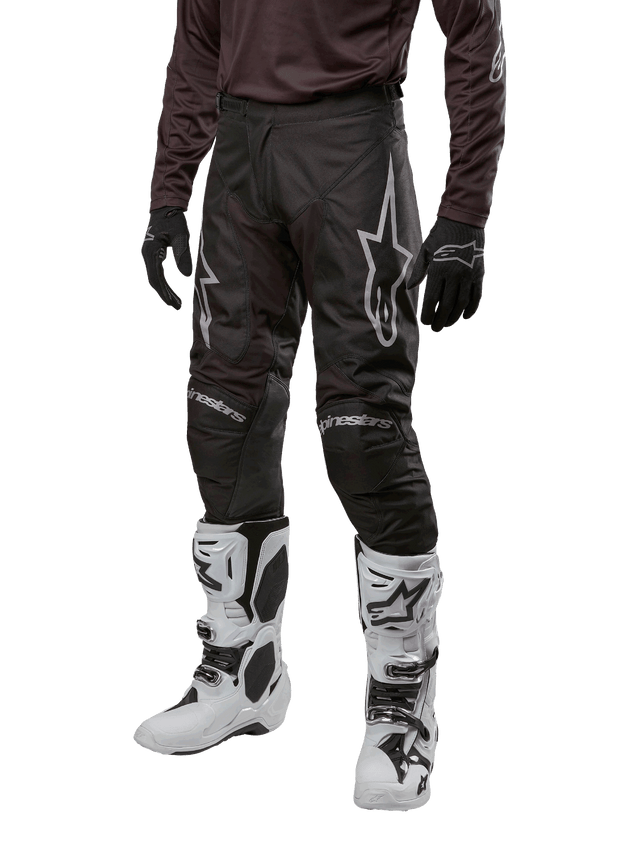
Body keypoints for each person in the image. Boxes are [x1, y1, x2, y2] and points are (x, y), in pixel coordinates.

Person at [134, 0, 507, 813]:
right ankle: (243, 670)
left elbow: (476, 30)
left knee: (363, 430)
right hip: (241, 154)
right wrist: (169, 190)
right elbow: (198, 36)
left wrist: (465, 213)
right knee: (221, 416)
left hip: (352, 148)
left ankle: (402, 704)